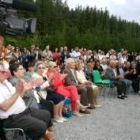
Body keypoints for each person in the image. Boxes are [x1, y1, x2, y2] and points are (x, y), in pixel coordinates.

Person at [0, 63, 54, 140]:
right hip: (11, 117)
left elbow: (18, 98)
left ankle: (38, 134)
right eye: (3, 72)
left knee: (46, 114)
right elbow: (4, 107)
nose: (6, 73)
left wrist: (24, 90)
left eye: (6, 71)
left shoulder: (6, 83)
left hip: (23, 110)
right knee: (41, 126)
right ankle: (36, 134)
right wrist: (17, 92)